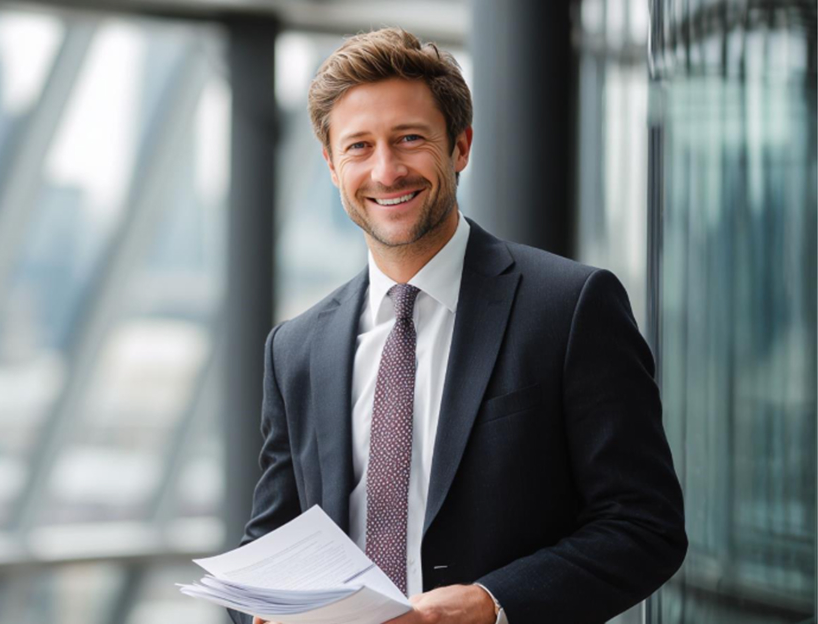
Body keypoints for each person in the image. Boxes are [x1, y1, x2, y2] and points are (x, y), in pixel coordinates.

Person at [230, 27, 687, 624]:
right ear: (332, 164)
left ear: (461, 146)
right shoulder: (295, 348)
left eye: (410, 139)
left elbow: (645, 525)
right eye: (359, 147)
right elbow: (269, 549)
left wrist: (492, 604)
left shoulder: (570, 307)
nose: (386, 170)